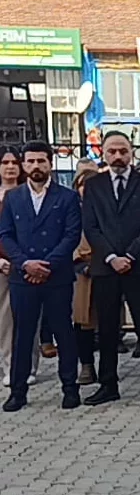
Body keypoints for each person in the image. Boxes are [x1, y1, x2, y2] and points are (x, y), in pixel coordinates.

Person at [81, 131, 140, 405]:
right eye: (112, 151)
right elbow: (91, 226)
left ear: (131, 152)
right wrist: (111, 257)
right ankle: (108, 384)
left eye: (123, 150)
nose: (118, 156)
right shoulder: (94, 185)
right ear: (104, 154)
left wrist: (130, 255)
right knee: (108, 327)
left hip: (139, 265)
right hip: (106, 267)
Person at [0, 141, 82, 411]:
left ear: (50, 163)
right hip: (23, 277)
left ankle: (70, 388)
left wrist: (46, 265)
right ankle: (18, 391)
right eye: (31, 161)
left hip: (56, 276)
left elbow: (71, 236)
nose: (36, 166)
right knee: (22, 335)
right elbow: (6, 235)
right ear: (24, 165)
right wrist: (25, 264)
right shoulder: (13, 198)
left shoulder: (67, 197)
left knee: (63, 333)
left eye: (41, 161)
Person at [0, 145, 25, 388]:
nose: (10, 167)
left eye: (14, 162)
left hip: (26, 263)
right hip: (2, 266)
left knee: (29, 318)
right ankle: (9, 365)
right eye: (5, 162)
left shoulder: (28, 193)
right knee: (5, 319)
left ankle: (29, 364)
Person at [71, 169, 99, 386]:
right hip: (80, 271)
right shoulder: (70, 210)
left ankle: (109, 368)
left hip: (107, 266)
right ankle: (87, 366)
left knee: (108, 322)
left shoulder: (107, 208)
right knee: (82, 321)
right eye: (82, 184)